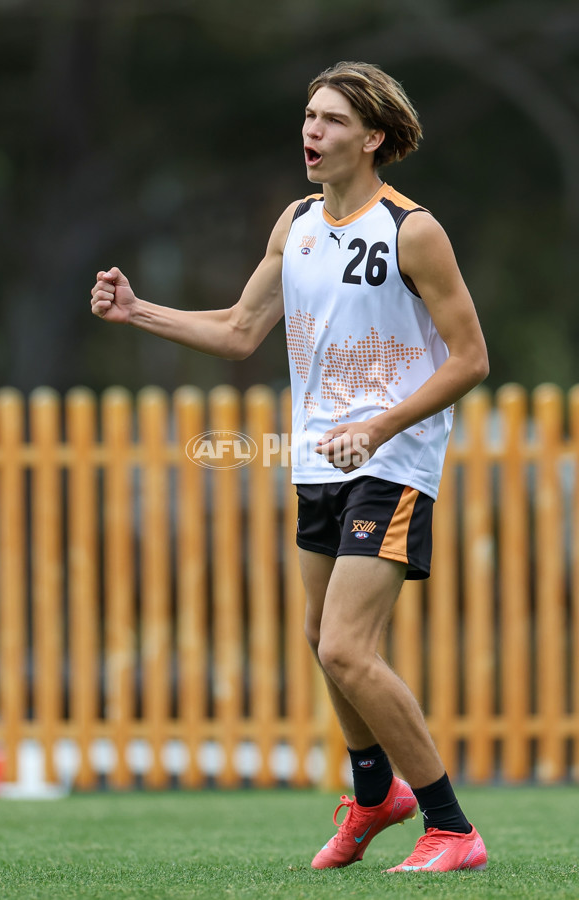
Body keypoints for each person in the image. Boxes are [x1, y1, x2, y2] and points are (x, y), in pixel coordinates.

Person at [91, 61, 489, 874]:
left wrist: (379, 427)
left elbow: (472, 358)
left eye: (333, 120)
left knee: (346, 647)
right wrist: (140, 311)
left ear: (373, 137)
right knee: (322, 638)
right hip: (316, 460)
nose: (312, 131)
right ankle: (375, 795)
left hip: (393, 460)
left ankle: (452, 828)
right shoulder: (297, 224)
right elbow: (241, 330)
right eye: (309, 116)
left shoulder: (413, 230)